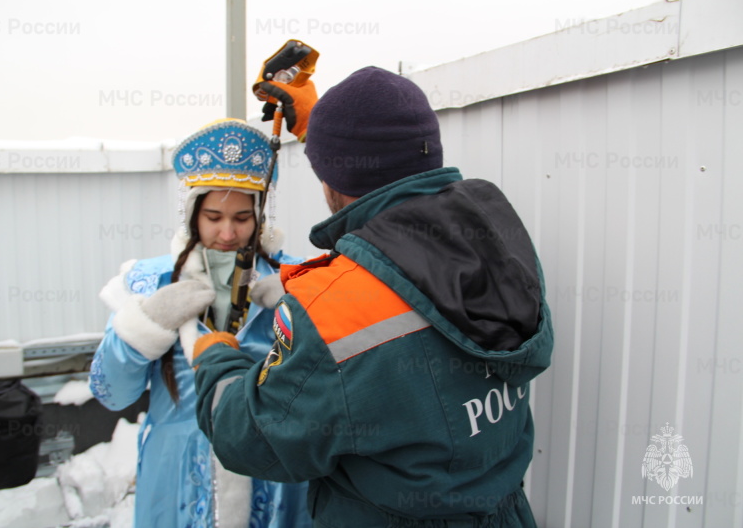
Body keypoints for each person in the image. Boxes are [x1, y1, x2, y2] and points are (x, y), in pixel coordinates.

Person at [190, 68, 554, 527]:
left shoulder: (334, 313)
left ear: (331, 182)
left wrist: (217, 361)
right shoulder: (495, 243)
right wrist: (327, 135)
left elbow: (251, 440)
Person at [88, 118, 312, 528]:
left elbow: (329, 387)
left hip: (274, 473)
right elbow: (111, 393)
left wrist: (302, 315)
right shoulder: (149, 282)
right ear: (193, 214)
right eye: (213, 217)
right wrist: (144, 327)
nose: (227, 233)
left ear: (260, 215)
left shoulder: (296, 279)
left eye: (242, 218)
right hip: (176, 479)